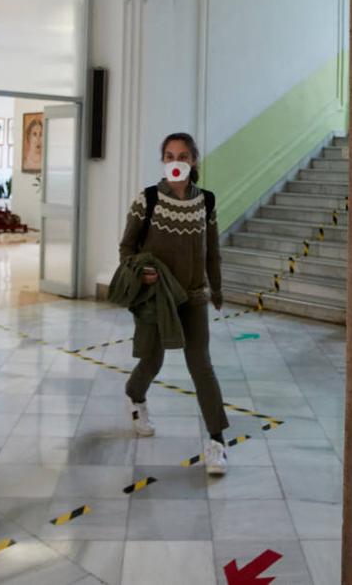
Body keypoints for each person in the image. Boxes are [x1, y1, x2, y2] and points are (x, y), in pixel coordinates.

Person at [118, 132, 230, 475]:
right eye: (169, 155)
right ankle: (135, 397)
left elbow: (212, 252)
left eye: (182, 155)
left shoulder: (206, 202)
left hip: (193, 296)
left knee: (202, 367)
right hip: (156, 298)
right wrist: (141, 273)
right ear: (163, 161)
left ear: (194, 160)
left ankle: (216, 443)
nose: (175, 161)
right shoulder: (147, 199)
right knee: (152, 361)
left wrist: (217, 290)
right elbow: (127, 248)